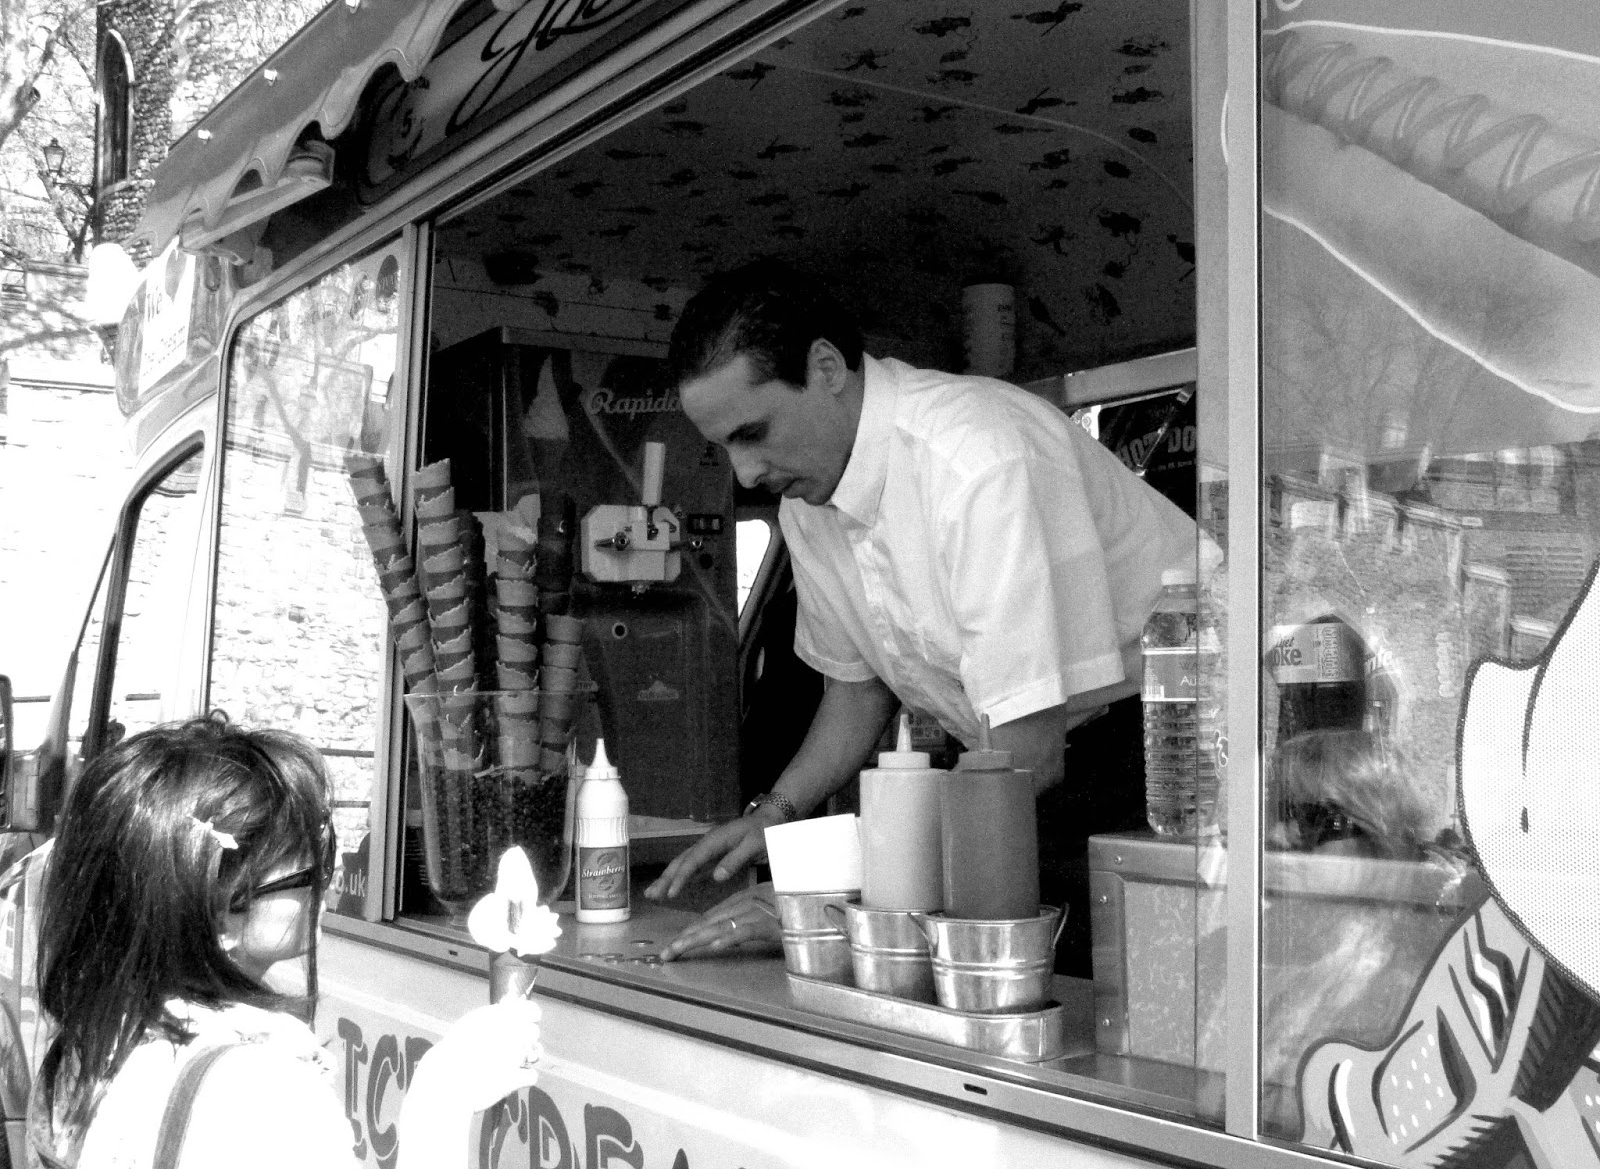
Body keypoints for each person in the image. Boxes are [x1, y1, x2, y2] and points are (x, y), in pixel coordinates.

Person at [645, 262, 1200, 972]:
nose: (745, 473)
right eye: (724, 446)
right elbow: (857, 689)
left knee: (1102, 994)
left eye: (754, 432)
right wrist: (771, 818)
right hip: (1017, 774)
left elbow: (1027, 754)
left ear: (825, 368)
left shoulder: (974, 458)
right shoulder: (806, 507)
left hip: (1165, 751)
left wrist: (833, 898)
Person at [27, 713, 542, 1169]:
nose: (329, 880)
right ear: (220, 914)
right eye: (306, 871)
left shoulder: (89, 1045)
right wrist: (442, 1098)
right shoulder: (259, 1095)